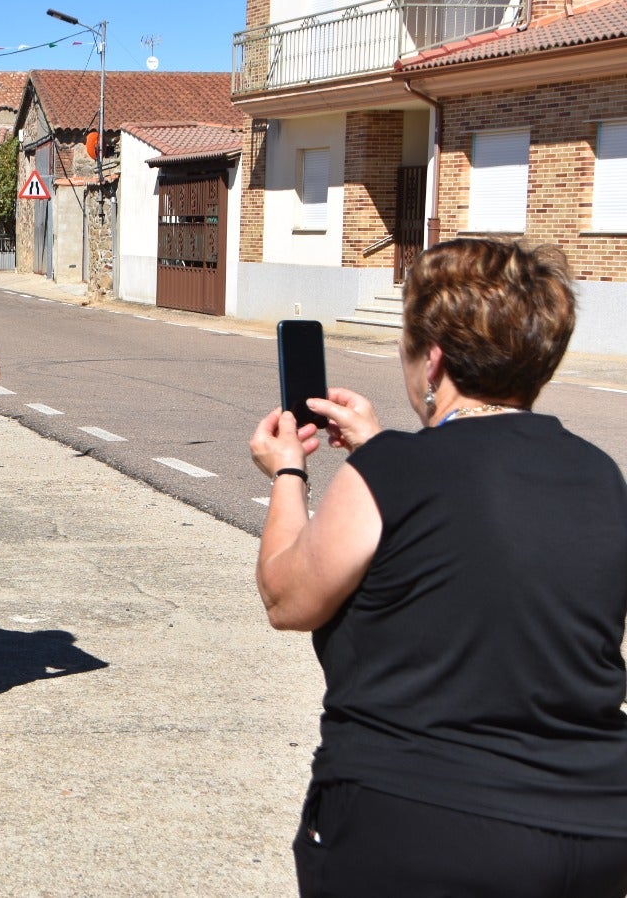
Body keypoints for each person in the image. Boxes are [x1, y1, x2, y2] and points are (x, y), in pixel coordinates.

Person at [249, 238, 627, 897]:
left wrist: (287, 470)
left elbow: (288, 597)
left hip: (414, 823)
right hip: (591, 832)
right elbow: (481, 512)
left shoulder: (395, 471)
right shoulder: (597, 476)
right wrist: (383, 447)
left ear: (434, 361)